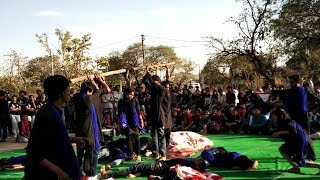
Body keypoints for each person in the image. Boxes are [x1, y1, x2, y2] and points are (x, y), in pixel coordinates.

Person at [25, 75, 85, 180]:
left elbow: (51, 138)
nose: (69, 93)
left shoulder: (55, 112)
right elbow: (35, 152)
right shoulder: (47, 115)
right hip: (48, 175)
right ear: (61, 93)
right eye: (67, 90)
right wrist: (60, 172)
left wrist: (71, 139)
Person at [73, 74, 111, 177]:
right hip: (90, 129)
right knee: (93, 151)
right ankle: (92, 173)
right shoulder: (90, 99)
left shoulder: (76, 98)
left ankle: (78, 174)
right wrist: (97, 80)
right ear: (88, 92)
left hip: (80, 130)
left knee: (80, 153)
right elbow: (106, 89)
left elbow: (97, 90)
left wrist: (93, 82)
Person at [271, 108, 320, 175]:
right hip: (296, 141)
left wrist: (279, 132)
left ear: (279, 115)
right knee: (282, 150)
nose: (273, 117)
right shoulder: (284, 121)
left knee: (299, 161)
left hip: (300, 141)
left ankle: (318, 166)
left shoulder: (289, 122)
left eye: (274, 116)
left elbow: (293, 131)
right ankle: (295, 167)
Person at [142, 66, 167, 160]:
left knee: (161, 135)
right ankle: (156, 153)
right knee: (154, 136)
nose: (153, 84)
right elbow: (145, 81)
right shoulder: (153, 90)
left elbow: (152, 83)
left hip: (159, 115)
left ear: (158, 82)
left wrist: (149, 74)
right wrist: (147, 72)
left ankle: (163, 154)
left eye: (155, 82)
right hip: (152, 115)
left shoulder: (162, 89)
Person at [100, 158, 207, 179]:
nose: (197, 159)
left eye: (199, 161)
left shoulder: (187, 165)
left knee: (133, 167)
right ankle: (139, 173)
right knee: (140, 168)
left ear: (198, 165)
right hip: (159, 168)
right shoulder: (188, 166)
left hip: (158, 167)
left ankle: (108, 175)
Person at [118, 88, 144, 163]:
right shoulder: (121, 102)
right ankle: (132, 153)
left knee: (136, 138)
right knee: (128, 138)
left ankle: (138, 155)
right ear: (126, 94)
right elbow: (120, 113)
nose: (131, 96)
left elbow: (138, 111)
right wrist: (119, 124)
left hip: (134, 121)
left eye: (132, 95)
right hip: (125, 121)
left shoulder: (135, 100)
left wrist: (141, 120)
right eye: (129, 94)